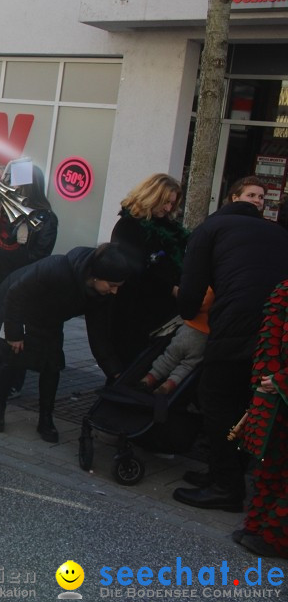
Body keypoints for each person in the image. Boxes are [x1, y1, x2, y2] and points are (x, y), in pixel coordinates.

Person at [172, 176, 288, 513]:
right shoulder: (278, 233)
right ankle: (224, 473)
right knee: (246, 403)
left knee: (217, 400)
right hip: (276, 329)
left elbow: (191, 289)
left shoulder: (210, 229)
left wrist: (186, 311)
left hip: (237, 322)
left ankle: (226, 487)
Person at [0, 244, 130, 441]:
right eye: (112, 285)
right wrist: (14, 334)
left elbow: (98, 334)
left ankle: (46, 419)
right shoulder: (56, 268)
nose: (114, 292)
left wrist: (113, 370)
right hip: (18, 308)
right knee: (13, 358)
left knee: (52, 366)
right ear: (96, 276)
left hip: (50, 319)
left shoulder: (99, 295)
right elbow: (15, 293)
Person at [0, 164, 59, 397]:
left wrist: (8, 255)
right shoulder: (5, 211)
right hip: (2, 279)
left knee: (16, 332)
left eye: (15, 180)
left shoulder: (45, 218)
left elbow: (39, 254)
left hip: (24, 283)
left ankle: (12, 382)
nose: (10, 183)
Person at [110, 173, 188, 370]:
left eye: (172, 203)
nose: (169, 208)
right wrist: (170, 288)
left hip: (163, 311)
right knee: (134, 362)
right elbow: (134, 269)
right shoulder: (129, 226)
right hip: (135, 309)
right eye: (165, 202)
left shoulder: (170, 227)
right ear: (152, 196)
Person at [235, 279, 288, 559]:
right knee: (271, 465)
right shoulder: (284, 291)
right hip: (276, 398)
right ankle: (259, 528)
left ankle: (275, 537)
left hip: (278, 388)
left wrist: (279, 379)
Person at [138, 287, 212, 394]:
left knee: (169, 357)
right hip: (205, 336)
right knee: (188, 366)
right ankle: (168, 385)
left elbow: (200, 301)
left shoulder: (213, 284)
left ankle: (149, 379)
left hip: (189, 327)